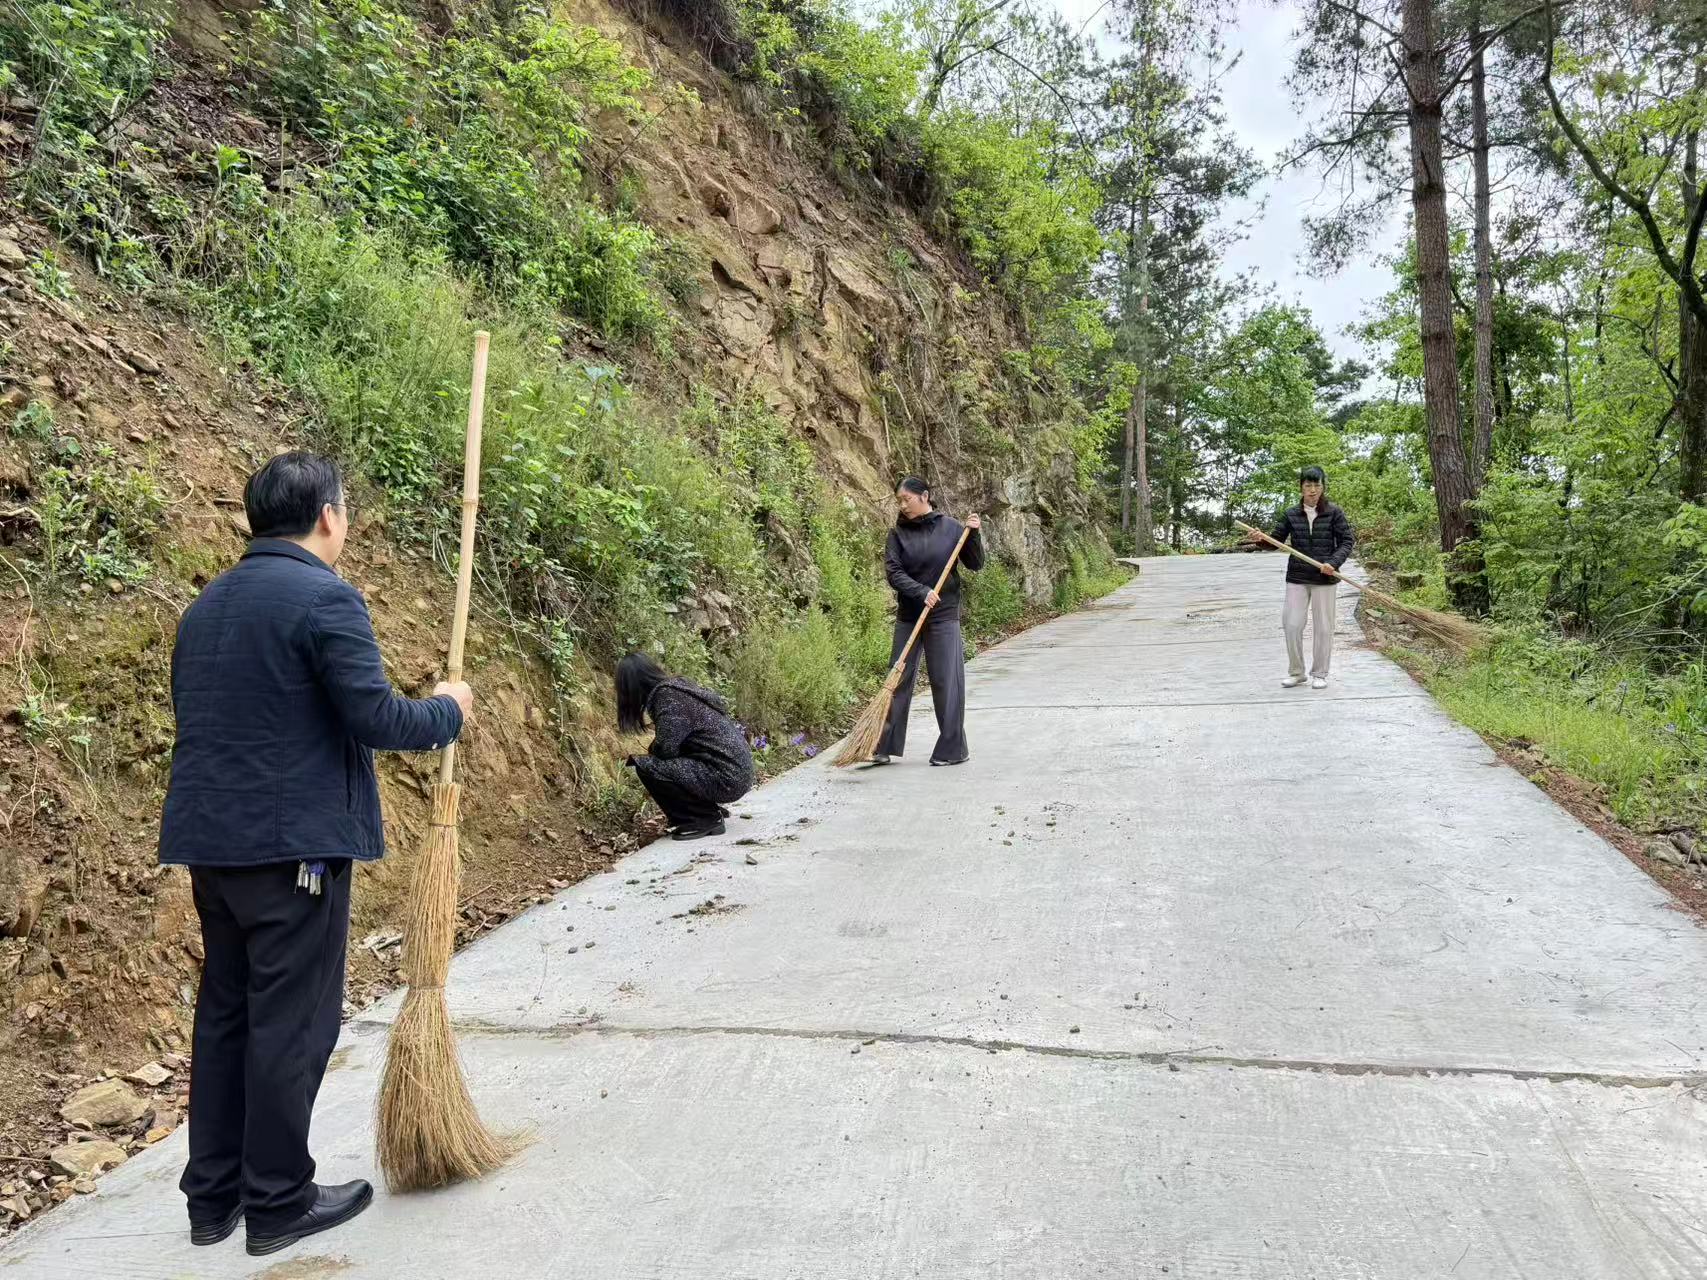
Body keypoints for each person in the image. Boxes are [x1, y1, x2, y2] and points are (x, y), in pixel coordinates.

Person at [159, 452, 472, 1257]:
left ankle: (213, 1200)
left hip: (212, 848)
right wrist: (448, 709)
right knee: (288, 1026)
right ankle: (277, 1200)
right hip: (292, 851)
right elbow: (378, 719)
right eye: (346, 510)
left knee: (227, 1017)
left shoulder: (206, 606)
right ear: (329, 516)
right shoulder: (325, 597)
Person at [873, 476, 984, 766]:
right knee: (898, 678)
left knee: (946, 680)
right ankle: (882, 744)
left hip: (943, 616)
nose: (902, 505)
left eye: (906, 499)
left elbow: (975, 564)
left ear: (924, 496)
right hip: (910, 614)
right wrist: (921, 592)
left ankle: (953, 749)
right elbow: (894, 573)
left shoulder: (952, 529)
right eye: (899, 500)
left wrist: (973, 535)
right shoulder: (897, 534)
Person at [618, 653, 754, 840]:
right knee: (666, 762)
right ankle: (707, 811)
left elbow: (666, 749)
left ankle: (703, 819)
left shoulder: (668, 697)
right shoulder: (678, 688)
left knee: (646, 766)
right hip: (736, 771)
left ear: (631, 685)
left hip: (727, 778)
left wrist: (651, 752)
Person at [1250, 465, 1356, 690]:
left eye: (1317, 485)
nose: (1312, 490)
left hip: (1324, 577)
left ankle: (1320, 673)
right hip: (1297, 576)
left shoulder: (1334, 512)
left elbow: (1347, 541)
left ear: (1323, 487)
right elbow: (1275, 541)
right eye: (1308, 485)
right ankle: (1297, 672)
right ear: (1301, 487)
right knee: (1291, 624)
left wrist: (1333, 563)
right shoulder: (1291, 514)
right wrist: (1261, 539)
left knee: (1324, 627)